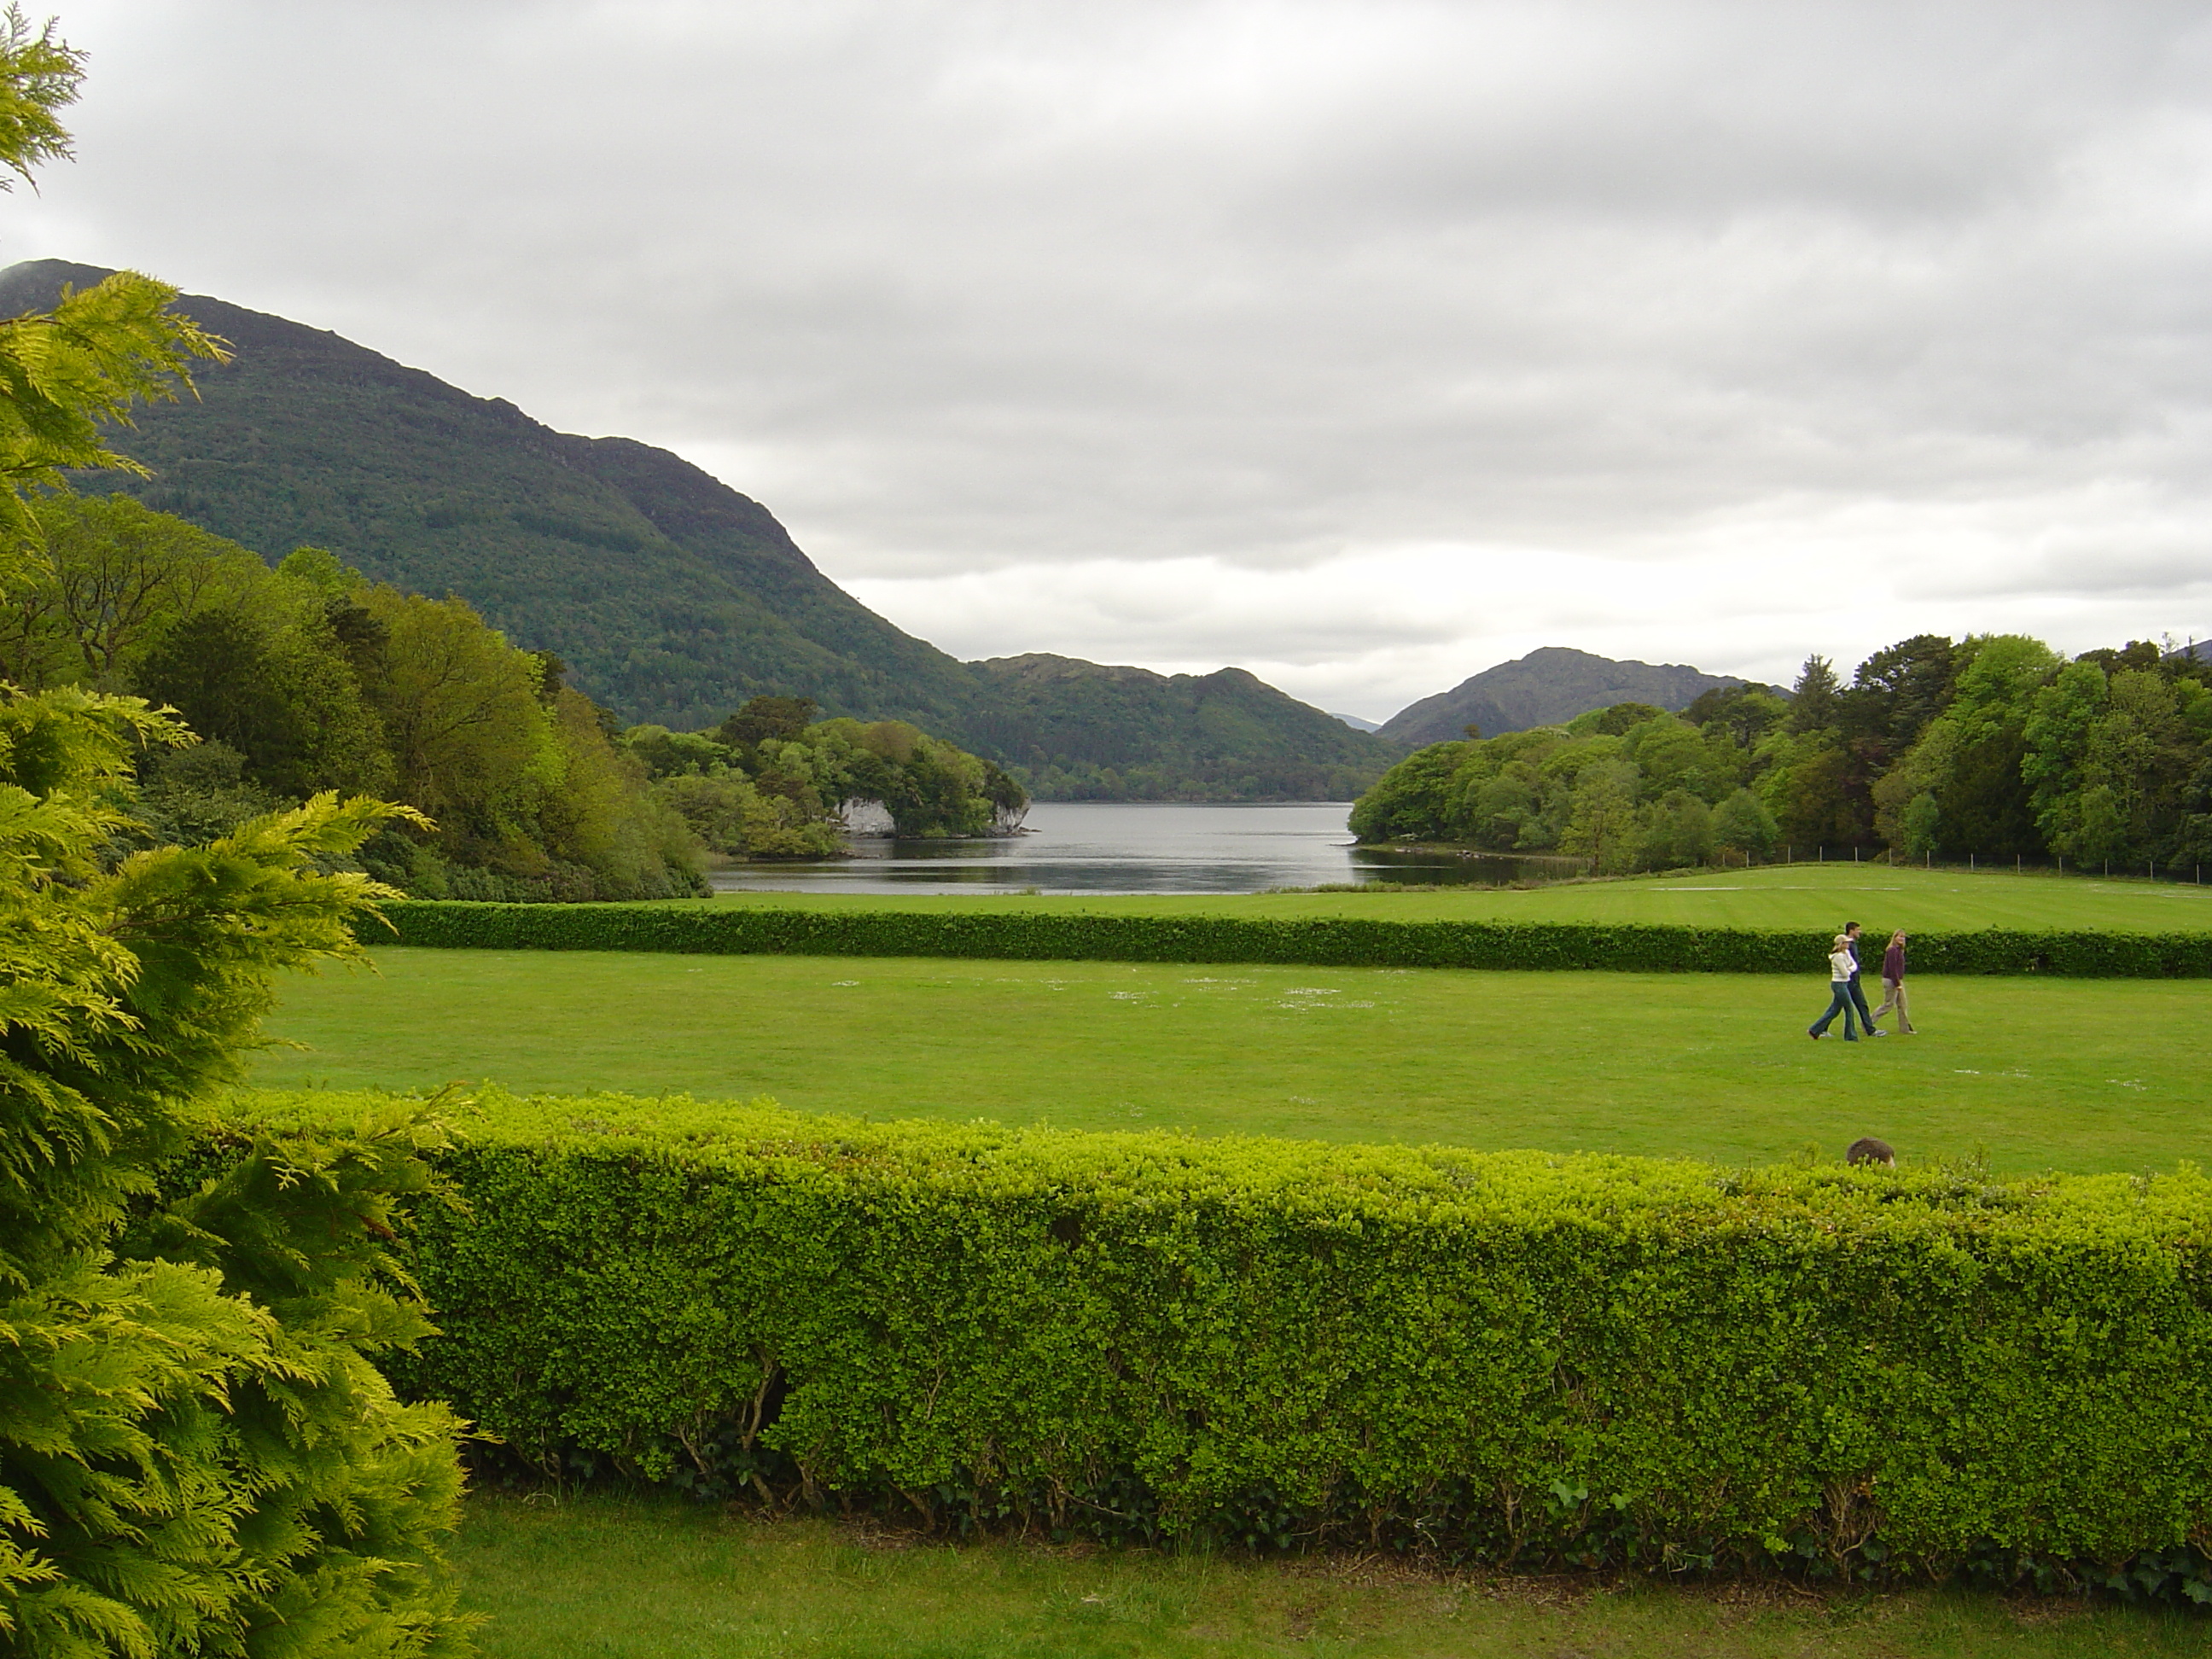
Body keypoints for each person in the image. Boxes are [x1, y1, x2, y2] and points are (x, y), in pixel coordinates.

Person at [1808, 934, 1860, 1040]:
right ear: (1842, 944)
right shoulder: (1838, 957)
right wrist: (1849, 969)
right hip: (1839, 984)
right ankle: (1850, 1035)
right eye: (1846, 942)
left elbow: (1854, 965)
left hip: (1844, 983)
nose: (1848, 944)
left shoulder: (1846, 953)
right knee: (1849, 1008)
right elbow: (1845, 973)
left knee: (1834, 1010)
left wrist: (1849, 968)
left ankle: (1815, 1030)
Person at [1842, 922, 1885, 1036]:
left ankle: (1870, 1029)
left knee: (1862, 1005)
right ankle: (1820, 1029)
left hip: (1854, 981)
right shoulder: (1847, 945)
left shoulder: (1852, 944)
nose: (1860, 932)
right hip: (1848, 982)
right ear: (1851, 930)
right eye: (1858, 930)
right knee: (1836, 1008)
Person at [1872, 929, 1915, 1033]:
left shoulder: (1898, 950)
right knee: (1888, 1005)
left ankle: (1905, 1029)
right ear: (1894, 938)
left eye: (1903, 937)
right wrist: (1897, 984)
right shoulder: (1892, 950)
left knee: (1902, 1005)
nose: (1901, 938)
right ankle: (1868, 1023)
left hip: (1897, 980)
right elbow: (1892, 969)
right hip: (1891, 980)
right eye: (1899, 936)